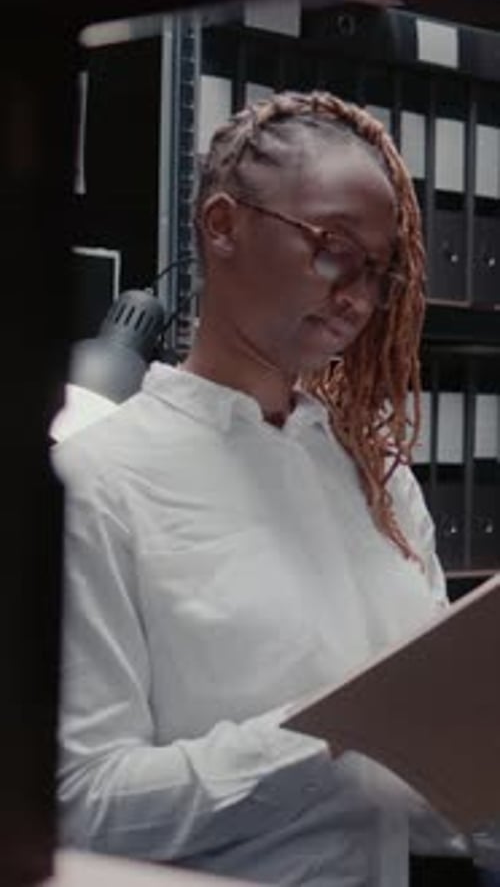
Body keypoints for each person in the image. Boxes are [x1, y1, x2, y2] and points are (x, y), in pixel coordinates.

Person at [53, 91, 472, 886]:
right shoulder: (98, 482)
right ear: (223, 226)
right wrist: (328, 736)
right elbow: (78, 803)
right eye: (333, 247)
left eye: (378, 271)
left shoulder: (376, 479)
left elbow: (419, 791)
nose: (356, 293)